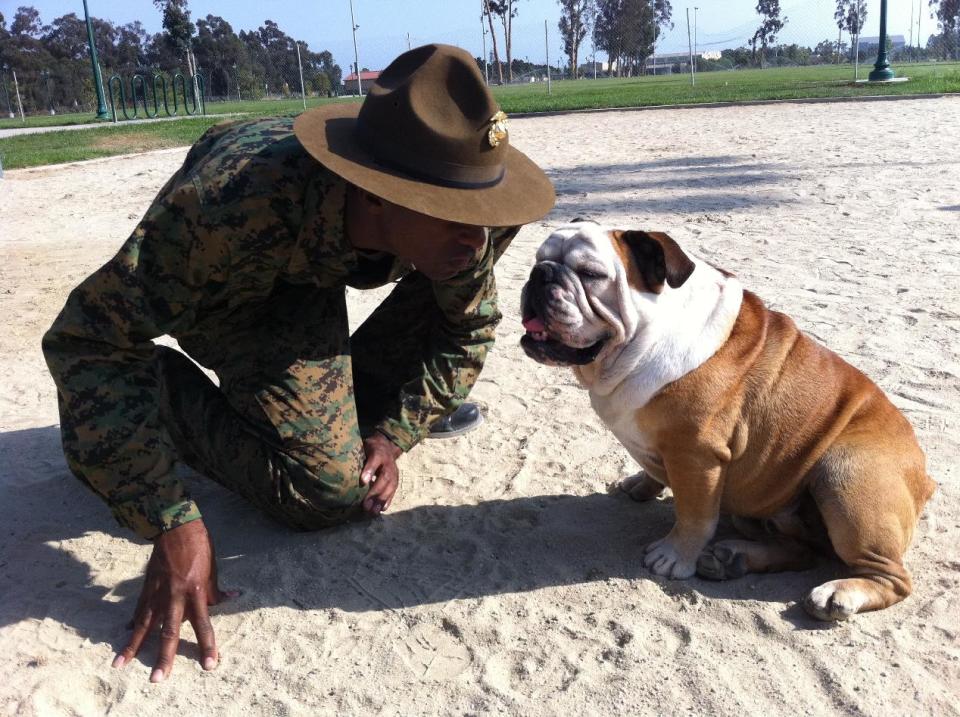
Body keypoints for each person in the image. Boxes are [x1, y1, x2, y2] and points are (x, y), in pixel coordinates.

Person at [42, 44, 554, 683]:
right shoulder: (226, 212)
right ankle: (156, 394)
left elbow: (467, 326)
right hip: (246, 284)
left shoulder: (464, 215)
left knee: (355, 446)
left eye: (482, 217)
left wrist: (395, 432)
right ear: (377, 195)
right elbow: (84, 338)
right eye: (457, 218)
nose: (477, 240)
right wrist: (168, 515)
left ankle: (350, 405)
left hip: (325, 247)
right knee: (322, 494)